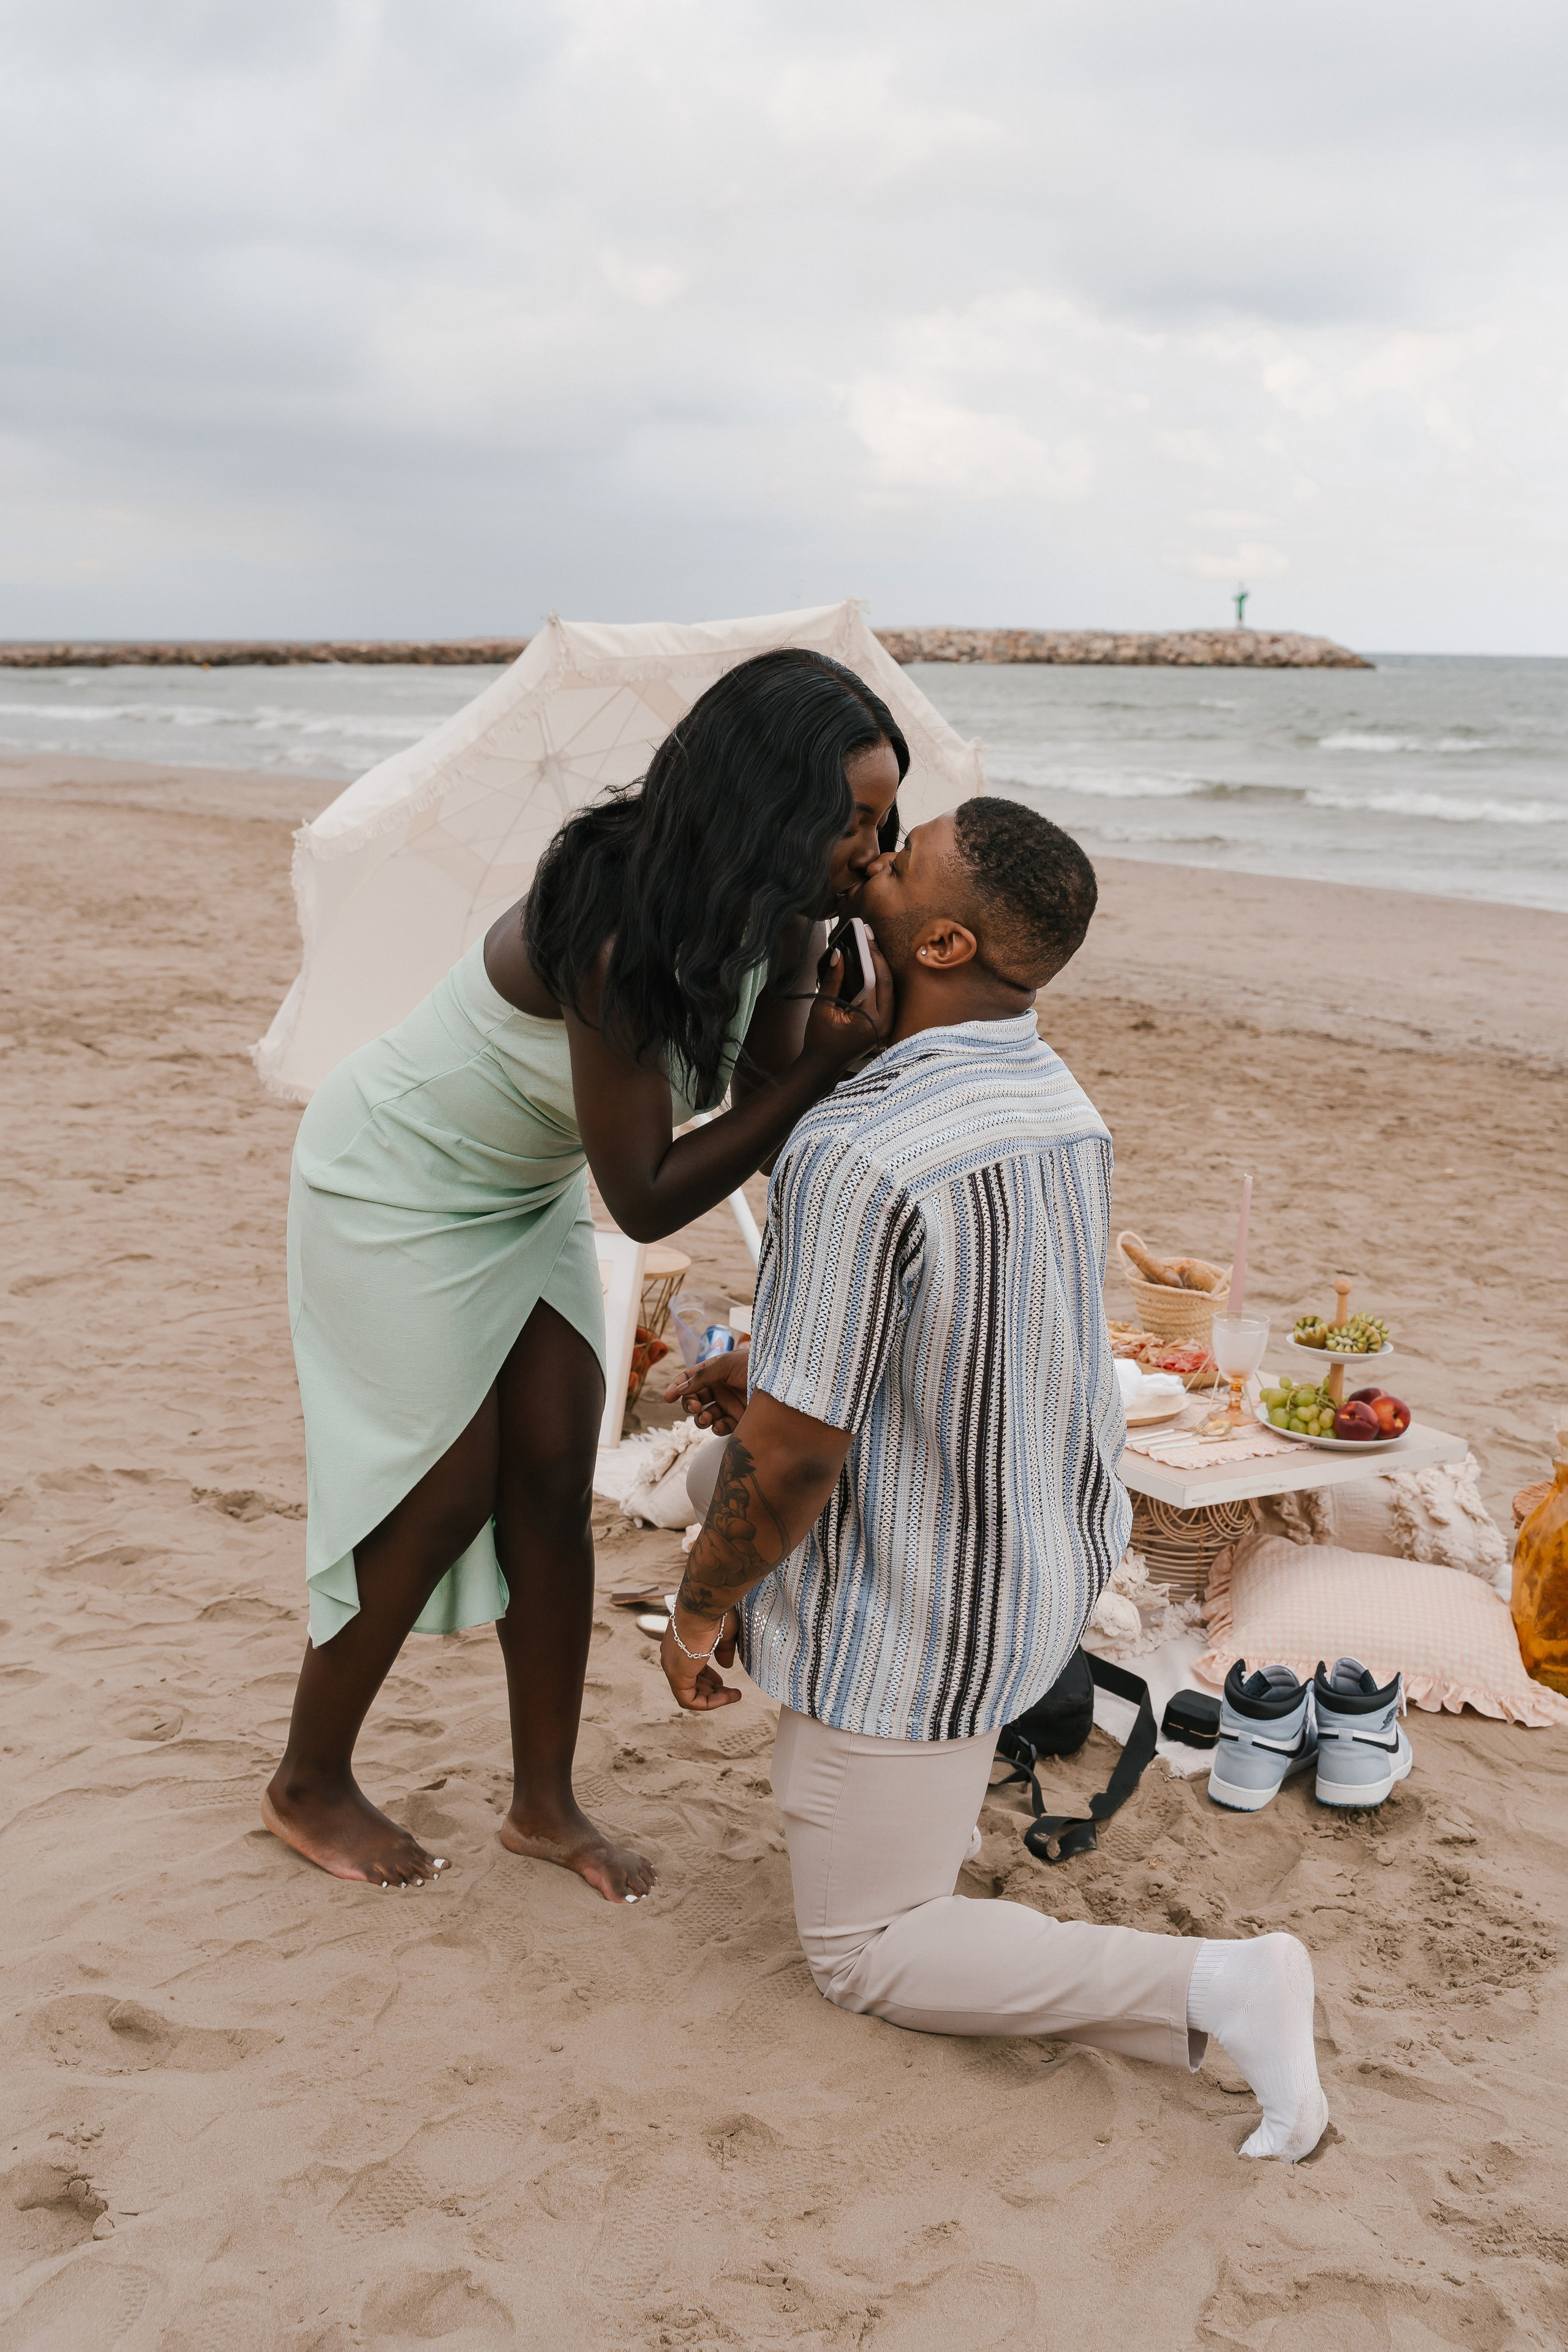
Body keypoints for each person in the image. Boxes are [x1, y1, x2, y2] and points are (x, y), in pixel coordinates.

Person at [663, 797, 1328, 2162]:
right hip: (1027, 1558)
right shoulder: (1049, 1092)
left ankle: (1218, 1983)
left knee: (865, 1951)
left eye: (899, 861)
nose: (873, 855)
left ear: (947, 936)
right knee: (826, 1798)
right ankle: (925, 1832)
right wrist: (784, 1363)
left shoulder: (859, 1148)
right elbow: (962, 1334)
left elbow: (793, 1458)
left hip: (920, 1599)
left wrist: (694, 1604)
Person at [263, 649, 902, 1896]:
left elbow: (764, 1091)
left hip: (518, 1194)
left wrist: (826, 1031)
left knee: (552, 1478)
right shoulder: (616, 927)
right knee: (439, 1494)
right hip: (394, 1182)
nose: (870, 850)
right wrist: (825, 1070)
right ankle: (307, 1780)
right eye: (852, 820)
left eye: (884, 823)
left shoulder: (781, 913)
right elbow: (646, 1192)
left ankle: (543, 1805)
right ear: (768, 807)